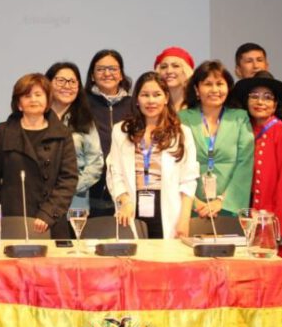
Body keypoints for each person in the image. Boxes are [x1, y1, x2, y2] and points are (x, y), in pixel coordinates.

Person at [231, 71, 282, 299]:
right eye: (254, 96)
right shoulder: (245, 130)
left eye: (267, 97)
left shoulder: (281, 132)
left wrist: (279, 229)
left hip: (273, 227)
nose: (260, 102)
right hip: (250, 224)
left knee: (280, 288)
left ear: (276, 104)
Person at [0, 73, 78, 237]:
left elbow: (68, 179)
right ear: (19, 104)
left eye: (39, 94)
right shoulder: (3, 132)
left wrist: (48, 214)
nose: (33, 99)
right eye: (27, 95)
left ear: (47, 100)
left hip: (50, 221)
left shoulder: (62, 133)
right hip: (12, 219)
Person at [106, 72, 198, 239]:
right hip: (131, 206)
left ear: (166, 98)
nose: (151, 101)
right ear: (136, 99)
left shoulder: (182, 133)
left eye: (157, 95)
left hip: (168, 207)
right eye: (145, 95)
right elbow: (114, 173)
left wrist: (184, 219)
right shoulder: (121, 131)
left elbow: (188, 180)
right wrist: (124, 201)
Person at [177, 61, 254, 221]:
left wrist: (222, 201)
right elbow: (175, 165)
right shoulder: (182, 119)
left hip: (230, 208)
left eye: (220, 84)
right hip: (190, 207)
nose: (214, 90)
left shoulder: (240, 118)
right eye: (207, 84)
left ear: (228, 88)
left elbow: (245, 164)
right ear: (197, 89)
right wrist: (193, 202)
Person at [45, 62, 102, 211]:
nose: (67, 86)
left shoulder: (85, 120)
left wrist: (68, 188)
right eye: (61, 80)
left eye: (72, 81)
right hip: (39, 199)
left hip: (75, 201)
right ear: (48, 83)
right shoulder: (37, 118)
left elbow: (95, 163)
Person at [84, 49, 133, 216]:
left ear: (121, 75)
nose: (107, 73)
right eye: (100, 69)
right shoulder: (81, 103)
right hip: (91, 189)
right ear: (92, 76)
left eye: (113, 68)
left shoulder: (134, 105)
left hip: (126, 186)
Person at [154, 46, 195, 111]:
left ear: (187, 72)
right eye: (164, 67)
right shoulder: (152, 109)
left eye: (176, 66)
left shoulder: (198, 108)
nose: (169, 71)